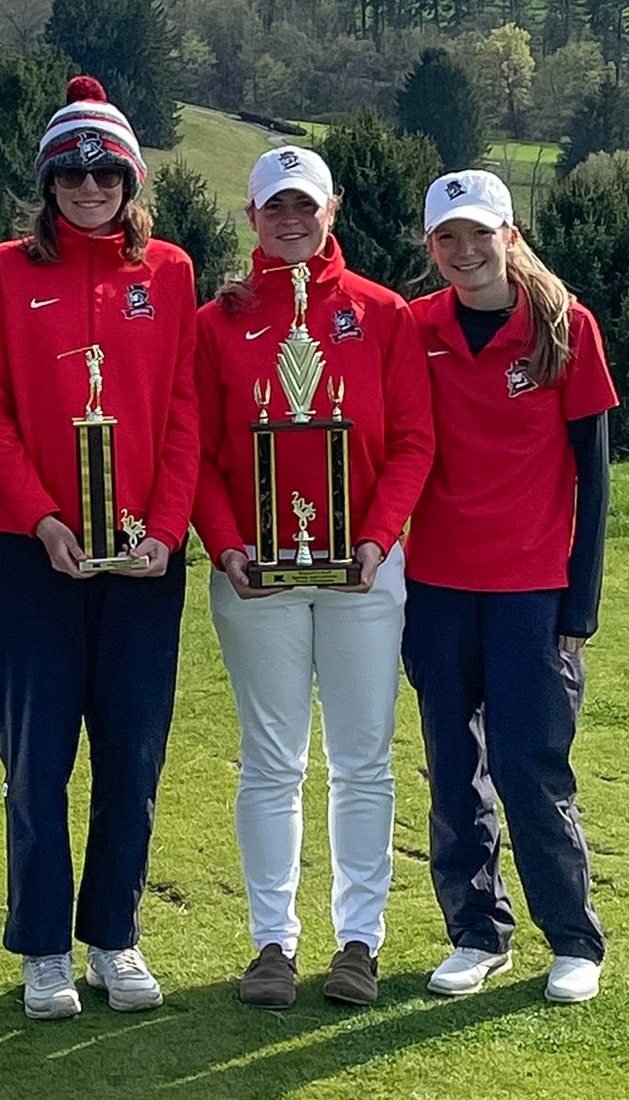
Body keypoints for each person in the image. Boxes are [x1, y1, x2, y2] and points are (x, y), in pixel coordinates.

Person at [0, 76, 201, 1021]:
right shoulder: (4, 270)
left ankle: (113, 937)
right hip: (36, 552)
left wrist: (170, 526)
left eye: (106, 171)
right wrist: (40, 514)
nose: (89, 185)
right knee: (38, 758)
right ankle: (43, 951)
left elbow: (184, 407)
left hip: (144, 558)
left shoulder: (169, 272)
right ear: (49, 181)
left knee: (133, 755)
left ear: (132, 179)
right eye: (71, 171)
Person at [192, 146, 435, 1009]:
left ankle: (359, 941)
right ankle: (271, 944)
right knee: (271, 760)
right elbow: (204, 454)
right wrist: (224, 547)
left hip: (362, 572)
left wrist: (376, 538)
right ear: (252, 217)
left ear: (332, 207)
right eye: (274, 208)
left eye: (306, 205)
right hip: (254, 573)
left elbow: (412, 441)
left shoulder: (383, 313)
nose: (291, 221)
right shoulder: (217, 320)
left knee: (363, 760)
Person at [402, 169, 619, 1005]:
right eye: (447, 239)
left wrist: (582, 605)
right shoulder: (414, 327)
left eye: (479, 235)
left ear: (511, 237)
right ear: (432, 249)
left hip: (534, 588)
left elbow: (594, 481)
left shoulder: (566, 328)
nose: (465, 252)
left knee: (532, 767)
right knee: (454, 767)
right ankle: (476, 932)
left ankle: (573, 939)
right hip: (439, 585)